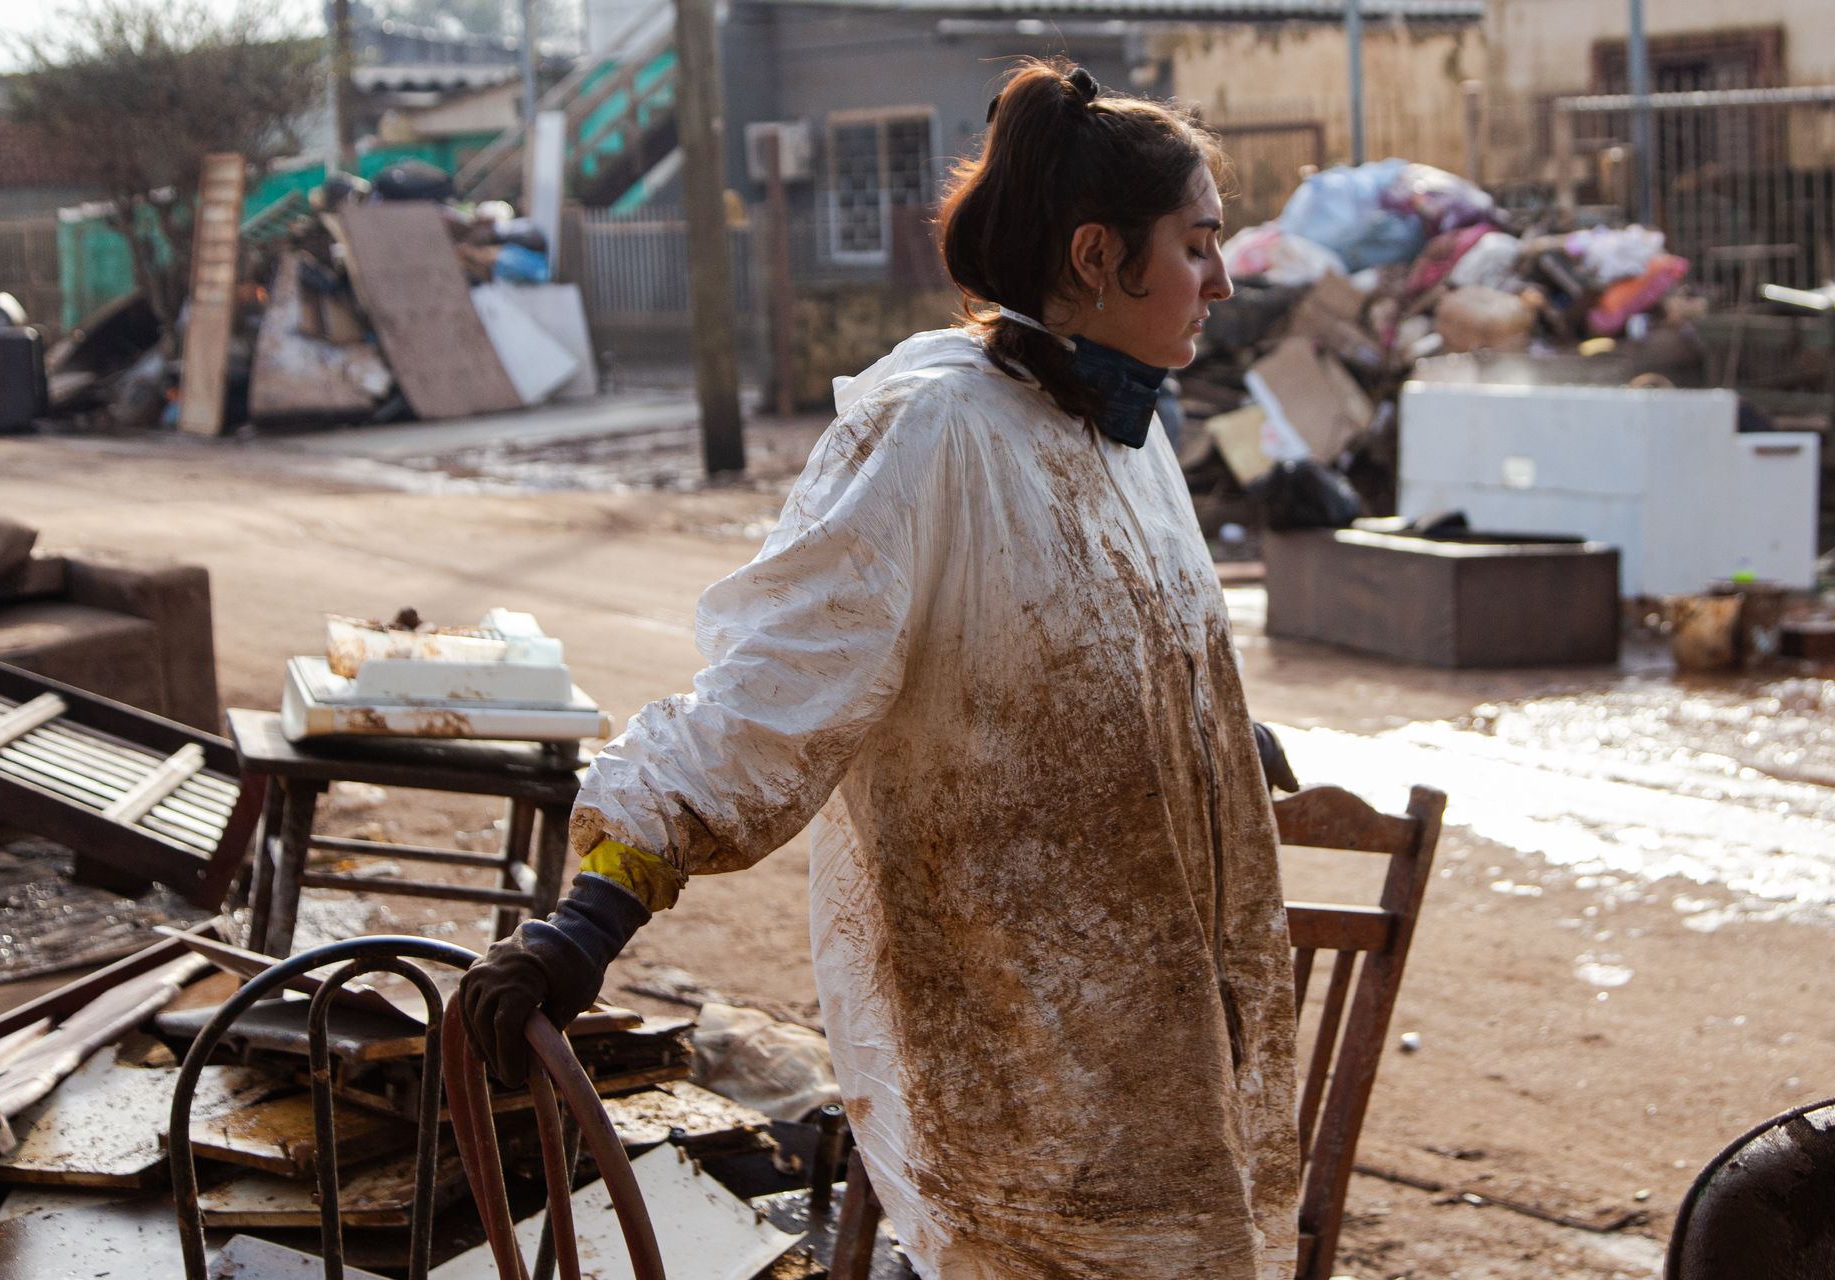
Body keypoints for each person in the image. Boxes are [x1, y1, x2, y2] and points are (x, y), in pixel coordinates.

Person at [463, 59, 1300, 1279]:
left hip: (1166, 1060)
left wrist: (1210, 735)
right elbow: (768, 696)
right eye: (1198, 244)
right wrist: (587, 916)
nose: (1223, 280)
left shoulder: (1127, 429)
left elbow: (1075, 650)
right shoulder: (930, 430)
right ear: (1095, 256)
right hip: (1026, 1075)